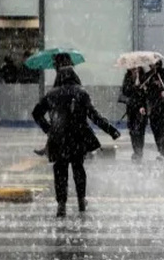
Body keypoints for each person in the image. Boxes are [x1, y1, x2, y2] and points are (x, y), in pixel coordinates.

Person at [33, 65, 121, 217]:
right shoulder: (81, 93)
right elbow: (94, 116)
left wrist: (49, 129)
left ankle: (61, 204)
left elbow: (36, 113)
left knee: (60, 170)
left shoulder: (51, 94)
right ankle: (81, 200)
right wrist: (111, 130)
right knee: (78, 168)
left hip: (58, 137)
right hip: (78, 137)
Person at [120, 60, 164, 161]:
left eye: (154, 64)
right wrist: (140, 91)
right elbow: (141, 94)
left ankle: (162, 152)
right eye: (151, 64)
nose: (152, 66)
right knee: (156, 130)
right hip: (154, 110)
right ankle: (156, 151)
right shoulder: (148, 77)